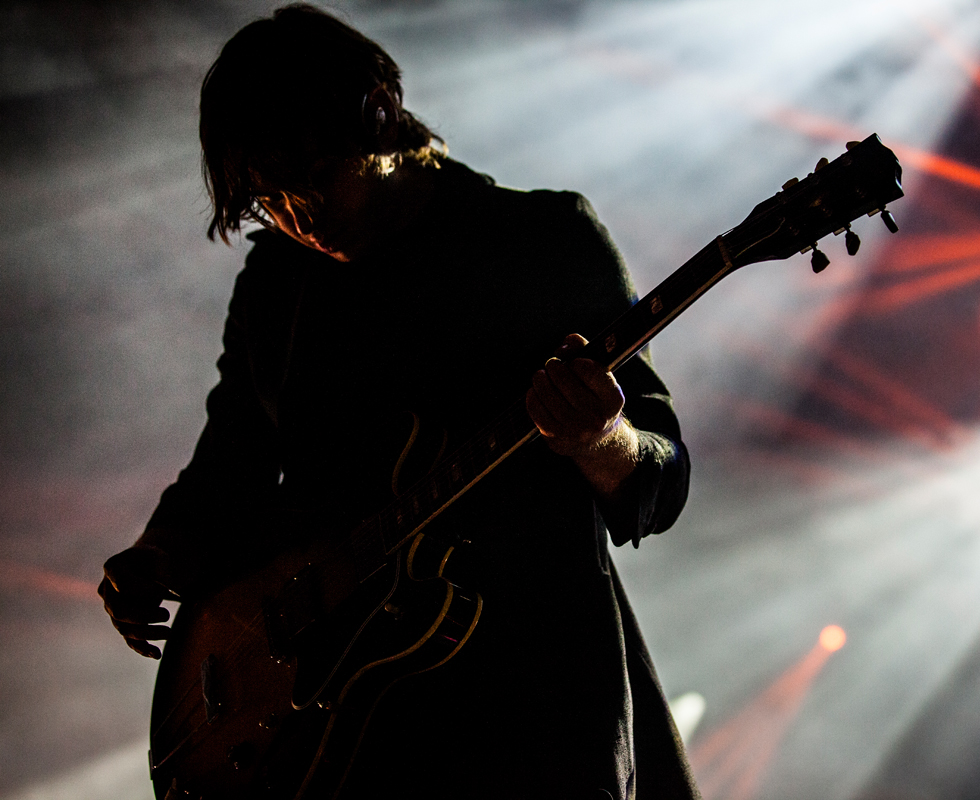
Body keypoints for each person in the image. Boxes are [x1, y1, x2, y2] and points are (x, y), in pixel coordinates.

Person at [97, 5, 698, 798]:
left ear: (380, 110)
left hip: (528, 717)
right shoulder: (280, 279)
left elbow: (661, 475)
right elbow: (231, 458)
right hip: (337, 730)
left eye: (309, 183)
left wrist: (600, 439)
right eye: (267, 201)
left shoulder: (540, 239)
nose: (295, 220)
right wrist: (161, 552)